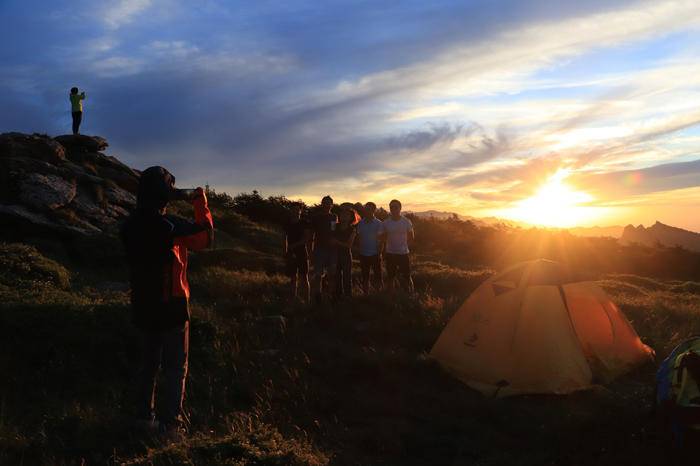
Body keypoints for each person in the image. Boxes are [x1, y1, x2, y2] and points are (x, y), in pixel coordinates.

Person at [120, 166, 214, 440]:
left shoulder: (129, 225)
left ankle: (142, 419)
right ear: (164, 195)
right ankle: (171, 428)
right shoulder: (169, 225)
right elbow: (206, 237)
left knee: (148, 365)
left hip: (142, 304)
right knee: (175, 369)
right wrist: (199, 202)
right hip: (171, 305)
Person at [311, 195, 338, 304]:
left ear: (332, 204)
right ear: (322, 204)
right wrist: (311, 250)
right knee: (318, 274)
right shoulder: (316, 217)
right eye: (324, 202)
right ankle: (318, 296)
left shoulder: (334, 216)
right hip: (319, 249)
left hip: (332, 249)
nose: (326, 205)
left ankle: (330, 296)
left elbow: (335, 231)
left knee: (332, 274)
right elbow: (311, 234)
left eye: (328, 203)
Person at [382, 199, 414, 292]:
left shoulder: (406, 221)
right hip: (390, 253)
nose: (393, 209)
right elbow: (382, 237)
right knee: (390, 276)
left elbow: (411, 236)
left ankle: (409, 294)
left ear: (400, 208)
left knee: (406, 276)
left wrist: (405, 246)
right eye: (391, 207)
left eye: (396, 207)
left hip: (403, 253)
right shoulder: (386, 222)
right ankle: (391, 297)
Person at [284, 202, 311, 303]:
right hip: (291, 253)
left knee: (304, 277)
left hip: (302, 252)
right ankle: (292, 300)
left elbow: (306, 238)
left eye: (297, 209)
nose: (295, 211)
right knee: (292, 277)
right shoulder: (287, 223)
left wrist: (293, 246)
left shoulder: (305, 223)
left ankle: (307, 301)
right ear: (291, 211)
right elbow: (285, 238)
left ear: (301, 211)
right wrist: (286, 250)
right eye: (293, 209)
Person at [356, 202, 384, 294]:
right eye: (366, 209)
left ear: (373, 210)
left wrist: (379, 253)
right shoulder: (360, 223)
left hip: (375, 254)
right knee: (365, 276)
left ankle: (378, 294)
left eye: (369, 209)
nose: (367, 211)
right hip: (363, 254)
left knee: (378, 276)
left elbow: (381, 240)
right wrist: (360, 251)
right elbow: (359, 238)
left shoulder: (379, 223)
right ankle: (365, 295)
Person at [334, 204, 359, 299]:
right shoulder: (335, 226)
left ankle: (348, 296)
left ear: (351, 217)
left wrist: (336, 242)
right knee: (337, 277)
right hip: (335, 254)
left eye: (346, 215)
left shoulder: (352, 229)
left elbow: (349, 245)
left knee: (347, 277)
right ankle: (337, 296)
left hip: (345, 255)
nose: (344, 216)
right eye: (342, 214)